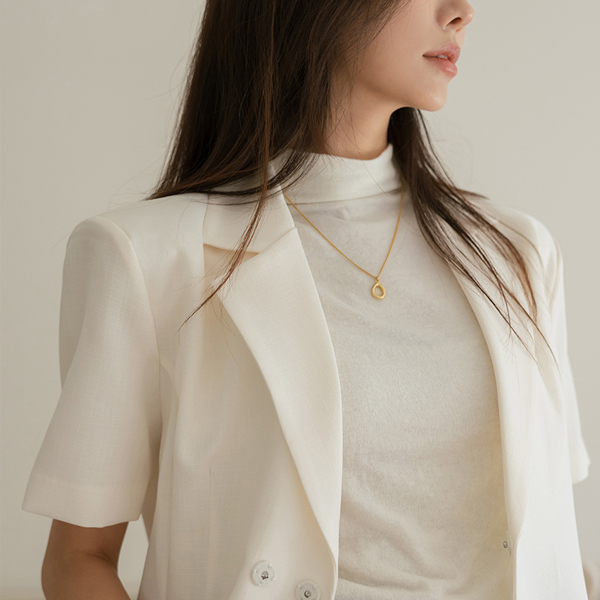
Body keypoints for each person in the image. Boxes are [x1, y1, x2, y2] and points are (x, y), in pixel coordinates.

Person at [22, 0, 591, 599]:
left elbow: (553, 541)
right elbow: (78, 559)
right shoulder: (147, 257)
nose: (461, 12)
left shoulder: (517, 253)